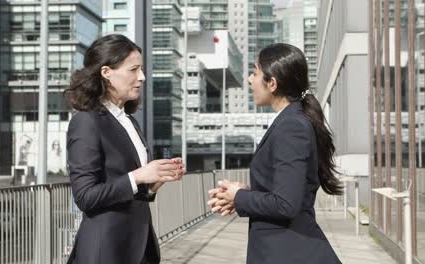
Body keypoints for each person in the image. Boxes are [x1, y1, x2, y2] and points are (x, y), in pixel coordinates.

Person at [207, 43, 342, 264]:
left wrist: (238, 197)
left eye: (254, 72)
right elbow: (286, 190)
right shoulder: (291, 121)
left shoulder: (291, 126)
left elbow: (285, 204)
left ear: (272, 83)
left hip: (289, 252)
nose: (250, 80)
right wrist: (246, 192)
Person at [64, 34, 184, 264]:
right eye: (134, 70)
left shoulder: (129, 120)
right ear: (106, 72)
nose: (142, 77)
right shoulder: (87, 122)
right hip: (106, 251)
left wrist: (152, 184)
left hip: (139, 249)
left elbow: (128, 188)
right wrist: (139, 175)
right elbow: (86, 196)